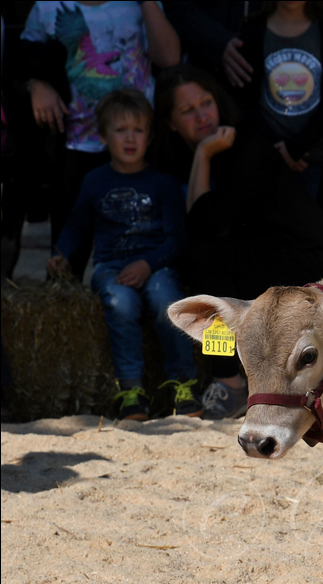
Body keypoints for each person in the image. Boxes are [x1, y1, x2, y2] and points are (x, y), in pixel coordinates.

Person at [155, 64, 323, 418]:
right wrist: (202, 155)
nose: (202, 115)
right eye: (188, 110)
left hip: (306, 258)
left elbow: (204, 225)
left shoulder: (246, 146)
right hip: (265, 252)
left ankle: (229, 383)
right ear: (170, 122)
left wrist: (204, 154)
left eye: (206, 103)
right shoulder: (179, 157)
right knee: (203, 258)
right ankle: (228, 379)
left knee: (200, 257)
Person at [48, 89, 199, 420]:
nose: (130, 138)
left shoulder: (163, 183)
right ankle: (131, 390)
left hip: (156, 263)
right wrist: (62, 252)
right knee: (121, 305)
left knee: (167, 304)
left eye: (138, 130)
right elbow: (77, 224)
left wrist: (148, 265)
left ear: (150, 136)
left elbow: (177, 239)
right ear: (103, 136)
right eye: (120, 130)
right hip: (111, 267)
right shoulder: (94, 181)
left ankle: (182, 384)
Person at [20, 0, 180, 278]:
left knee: (143, 242)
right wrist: (36, 83)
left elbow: (169, 58)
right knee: (67, 250)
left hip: (138, 143)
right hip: (75, 144)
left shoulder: (142, 5)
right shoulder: (47, 7)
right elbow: (22, 60)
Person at [233, 1, 323, 210]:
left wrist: (294, 149)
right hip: (264, 157)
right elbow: (245, 101)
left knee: (310, 233)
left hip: (312, 161)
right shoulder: (253, 29)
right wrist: (277, 150)